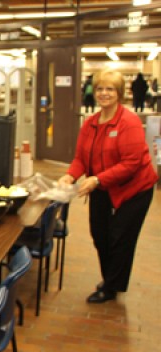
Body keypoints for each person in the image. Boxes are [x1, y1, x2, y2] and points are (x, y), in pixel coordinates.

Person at [58, 69, 157, 304]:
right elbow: (81, 158)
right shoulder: (90, 123)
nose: (104, 93)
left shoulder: (128, 122)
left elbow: (132, 163)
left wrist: (97, 179)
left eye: (110, 89)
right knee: (100, 235)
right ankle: (110, 278)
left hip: (134, 189)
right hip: (102, 187)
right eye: (100, 88)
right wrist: (70, 176)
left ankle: (111, 286)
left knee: (120, 238)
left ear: (119, 93)